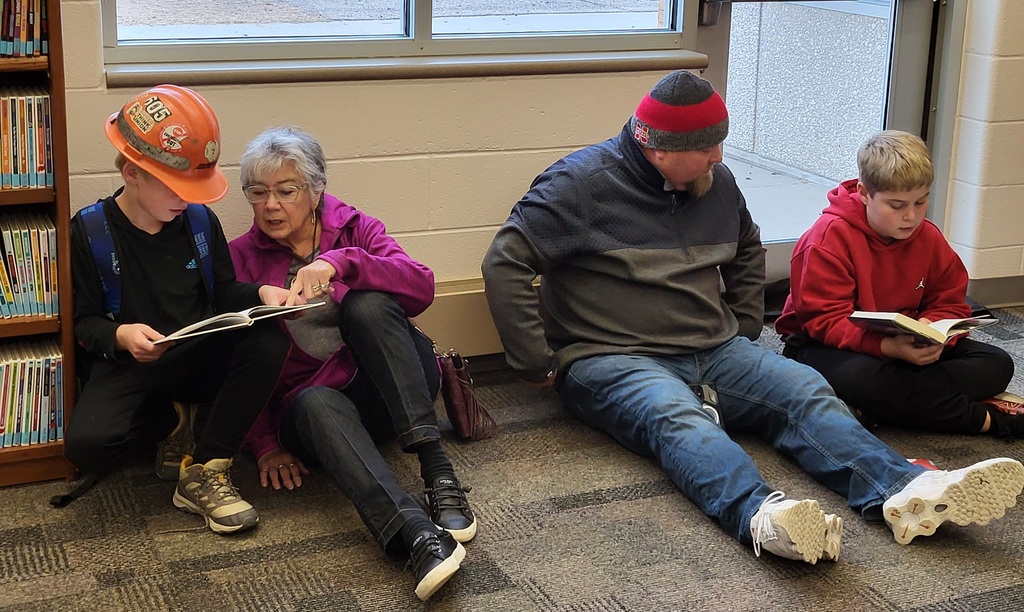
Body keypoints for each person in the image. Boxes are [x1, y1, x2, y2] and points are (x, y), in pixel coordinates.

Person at [481, 70, 1024, 563]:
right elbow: (504, 262)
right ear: (660, 149)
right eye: (707, 147)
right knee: (677, 417)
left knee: (804, 388)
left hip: (713, 348)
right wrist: (536, 363)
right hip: (612, 356)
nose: (719, 157)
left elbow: (746, 248)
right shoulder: (578, 184)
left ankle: (902, 489)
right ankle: (762, 517)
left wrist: (742, 324)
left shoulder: (715, 183)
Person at [228, 126, 474, 601]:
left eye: (286, 191)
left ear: (316, 189)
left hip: (392, 385)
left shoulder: (356, 227)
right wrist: (263, 444)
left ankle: (438, 472)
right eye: (257, 192)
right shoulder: (240, 258)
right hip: (323, 416)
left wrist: (344, 264)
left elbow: (421, 287)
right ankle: (416, 533)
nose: (270, 205)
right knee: (314, 400)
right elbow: (236, 358)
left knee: (367, 305)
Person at [65, 85, 292, 533]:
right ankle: (174, 420)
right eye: (176, 187)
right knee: (89, 446)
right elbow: (84, 322)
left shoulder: (199, 220)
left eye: (194, 189)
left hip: (197, 352)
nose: (186, 199)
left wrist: (262, 294)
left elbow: (224, 292)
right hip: (133, 363)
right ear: (133, 172)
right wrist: (121, 336)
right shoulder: (89, 231)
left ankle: (206, 467)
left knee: (269, 341)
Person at [775, 130, 1022, 437]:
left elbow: (950, 299)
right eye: (896, 205)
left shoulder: (928, 237)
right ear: (865, 193)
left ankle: (879, 405)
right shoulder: (828, 239)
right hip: (824, 346)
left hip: (904, 343)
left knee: (997, 363)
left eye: (921, 202)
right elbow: (824, 321)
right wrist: (886, 347)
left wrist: (932, 331)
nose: (911, 216)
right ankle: (986, 420)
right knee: (865, 378)